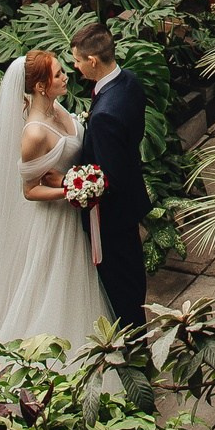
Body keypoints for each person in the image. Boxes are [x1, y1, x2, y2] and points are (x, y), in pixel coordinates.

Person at [0, 50, 116, 353]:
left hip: (74, 215)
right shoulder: (35, 133)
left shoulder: (58, 108)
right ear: (40, 86)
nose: (66, 76)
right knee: (56, 287)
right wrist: (72, 190)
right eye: (58, 74)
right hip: (54, 221)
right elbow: (29, 190)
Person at [70, 23, 150, 329]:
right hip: (132, 199)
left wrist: (73, 185)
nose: (75, 67)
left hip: (111, 219)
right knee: (132, 278)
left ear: (92, 61)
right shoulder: (129, 81)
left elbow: (109, 179)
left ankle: (134, 343)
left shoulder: (104, 115)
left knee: (121, 288)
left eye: (77, 61)